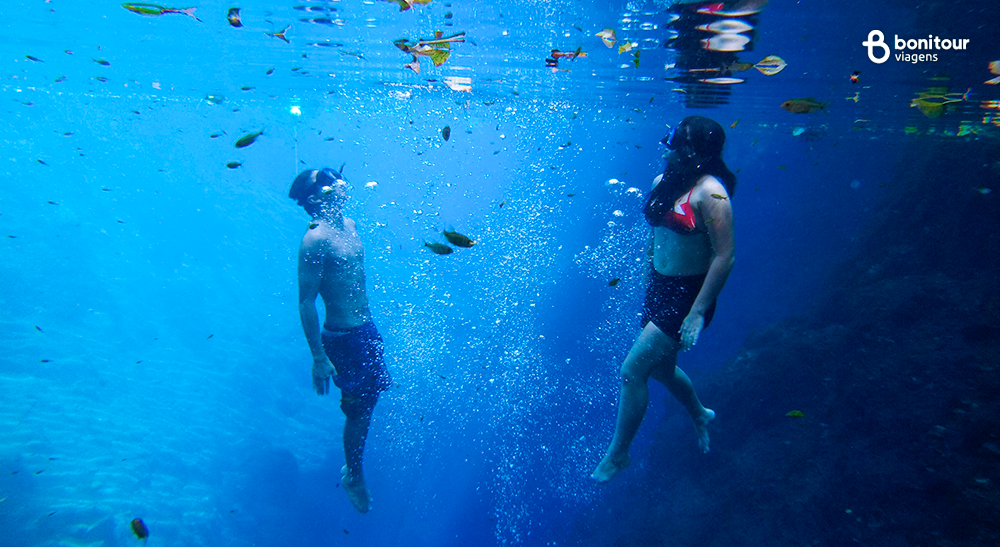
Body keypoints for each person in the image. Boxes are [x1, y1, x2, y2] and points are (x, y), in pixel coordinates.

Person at [592, 116, 736, 483]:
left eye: (675, 143)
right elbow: (655, 240)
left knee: (632, 371)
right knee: (660, 370)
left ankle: (618, 454)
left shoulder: (712, 193)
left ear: (693, 150)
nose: (667, 149)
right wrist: (647, 276)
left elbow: (724, 256)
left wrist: (697, 313)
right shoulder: (664, 183)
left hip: (689, 295)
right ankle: (700, 413)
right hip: (660, 287)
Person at [289, 166, 392, 513]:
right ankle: (354, 474)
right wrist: (318, 357)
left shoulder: (349, 225)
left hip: (365, 331)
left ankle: (354, 468)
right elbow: (306, 301)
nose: (342, 186)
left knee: (369, 402)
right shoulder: (315, 240)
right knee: (358, 413)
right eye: (332, 183)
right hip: (344, 338)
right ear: (316, 198)